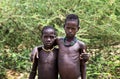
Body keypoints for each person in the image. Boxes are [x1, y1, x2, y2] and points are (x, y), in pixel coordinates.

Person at [31, 14, 89, 79]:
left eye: (73, 28)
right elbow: (47, 45)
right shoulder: (59, 41)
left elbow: (83, 66)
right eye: (68, 28)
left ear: (78, 29)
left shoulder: (80, 45)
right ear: (64, 27)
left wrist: (86, 58)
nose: (70, 31)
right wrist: (36, 48)